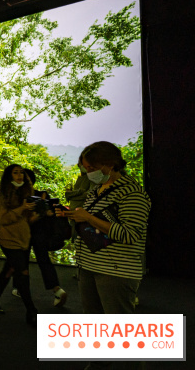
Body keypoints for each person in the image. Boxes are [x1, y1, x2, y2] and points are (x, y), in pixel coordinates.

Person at [62, 142, 150, 369]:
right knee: (95, 324)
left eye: (91, 167)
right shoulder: (97, 190)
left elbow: (130, 234)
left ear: (109, 165)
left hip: (115, 270)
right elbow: (97, 224)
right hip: (89, 265)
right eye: (85, 168)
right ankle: (99, 363)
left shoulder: (133, 193)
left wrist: (89, 218)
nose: (87, 172)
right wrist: (75, 216)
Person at [0, 164, 39, 326]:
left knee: (9, 269)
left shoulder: (25, 194)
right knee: (22, 272)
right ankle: (31, 310)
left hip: (23, 240)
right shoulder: (1, 197)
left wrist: (40, 213)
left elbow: (27, 220)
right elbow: (4, 219)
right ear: (9, 176)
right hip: (8, 241)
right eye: (15, 173)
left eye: (21, 173)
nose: (19, 176)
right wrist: (22, 208)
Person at [12, 168, 67, 307]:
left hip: (24, 234)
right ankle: (57, 290)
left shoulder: (16, 197)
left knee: (20, 261)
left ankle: (19, 288)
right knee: (44, 261)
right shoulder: (42, 195)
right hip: (39, 234)